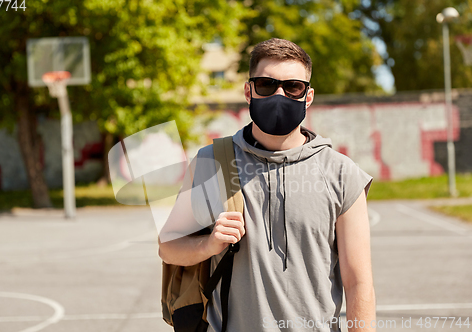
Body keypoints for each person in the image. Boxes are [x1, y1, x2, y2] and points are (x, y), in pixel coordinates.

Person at [159, 38, 376, 332]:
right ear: (249, 91)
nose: (279, 94)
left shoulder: (340, 173)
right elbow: (168, 248)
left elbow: (358, 282)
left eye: (292, 87)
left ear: (307, 96)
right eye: (266, 85)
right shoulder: (212, 163)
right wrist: (208, 245)